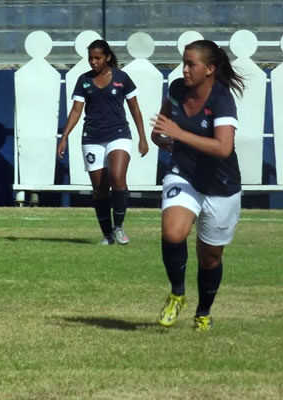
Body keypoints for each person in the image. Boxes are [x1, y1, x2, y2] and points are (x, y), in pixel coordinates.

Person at [151, 40, 244, 331]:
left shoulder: (221, 99)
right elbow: (160, 132)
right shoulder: (176, 89)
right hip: (184, 174)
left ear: (210, 69)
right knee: (173, 232)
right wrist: (162, 138)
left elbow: (223, 148)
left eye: (191, 64)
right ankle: (177, 293)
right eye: (184, 62)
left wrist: (180, 134)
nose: (185, 69)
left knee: (210, 257)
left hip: (222, 185)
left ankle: (203, 313)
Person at [57, 39, 148, 245]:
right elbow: (76, 110)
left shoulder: (122, 78)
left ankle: (119, 227)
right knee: (99, 188)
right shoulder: (84, 80)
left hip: (119, 135)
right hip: (92, 138)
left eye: (97, 58)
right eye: (90, 58)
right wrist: (64, 136)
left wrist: (142, 137)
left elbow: (135, 109)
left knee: (117, 178)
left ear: (107, 57)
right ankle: (107, 234)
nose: (93, 62)